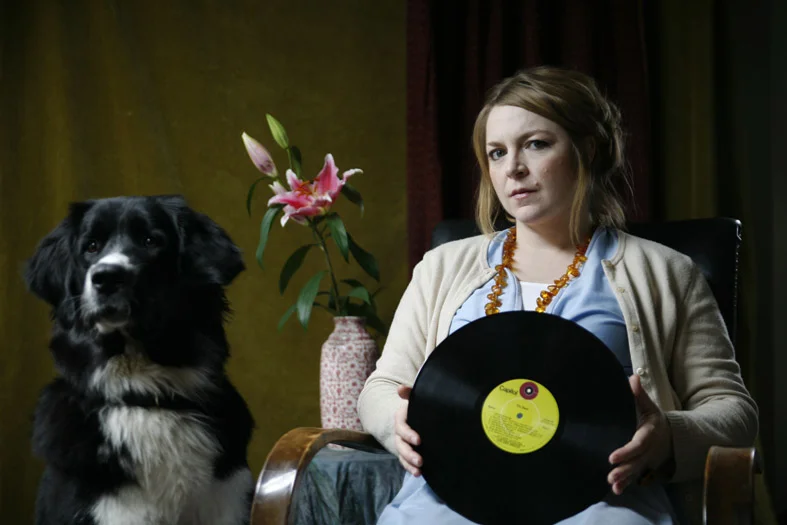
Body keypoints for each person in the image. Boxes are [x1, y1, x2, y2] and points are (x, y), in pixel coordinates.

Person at [357, 66, 758, 525]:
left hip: (603, 501)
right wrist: (398, 420)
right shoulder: (442, 267)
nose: (514, 169)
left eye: (536, 144)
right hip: (452, 499)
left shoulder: (668, 272)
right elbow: (381, 387)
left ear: (587, 149)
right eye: (496, 153)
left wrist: (666, 435)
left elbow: (734, 411)